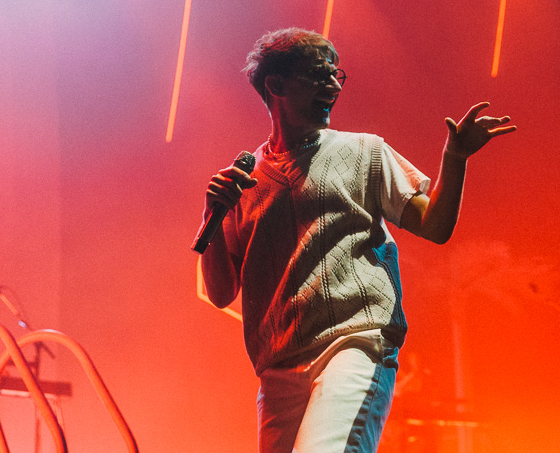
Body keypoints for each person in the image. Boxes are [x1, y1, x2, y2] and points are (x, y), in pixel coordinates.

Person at [199, 28, 515, 453]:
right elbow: (220, 293)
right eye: (317, 75)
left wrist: (454, 160)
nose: (332, 85)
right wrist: (213, 218)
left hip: (353, 343)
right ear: (276, 85)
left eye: (336, 75)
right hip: (276, 369)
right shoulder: (243, 183)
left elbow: (435, 227)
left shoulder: (365, 151)